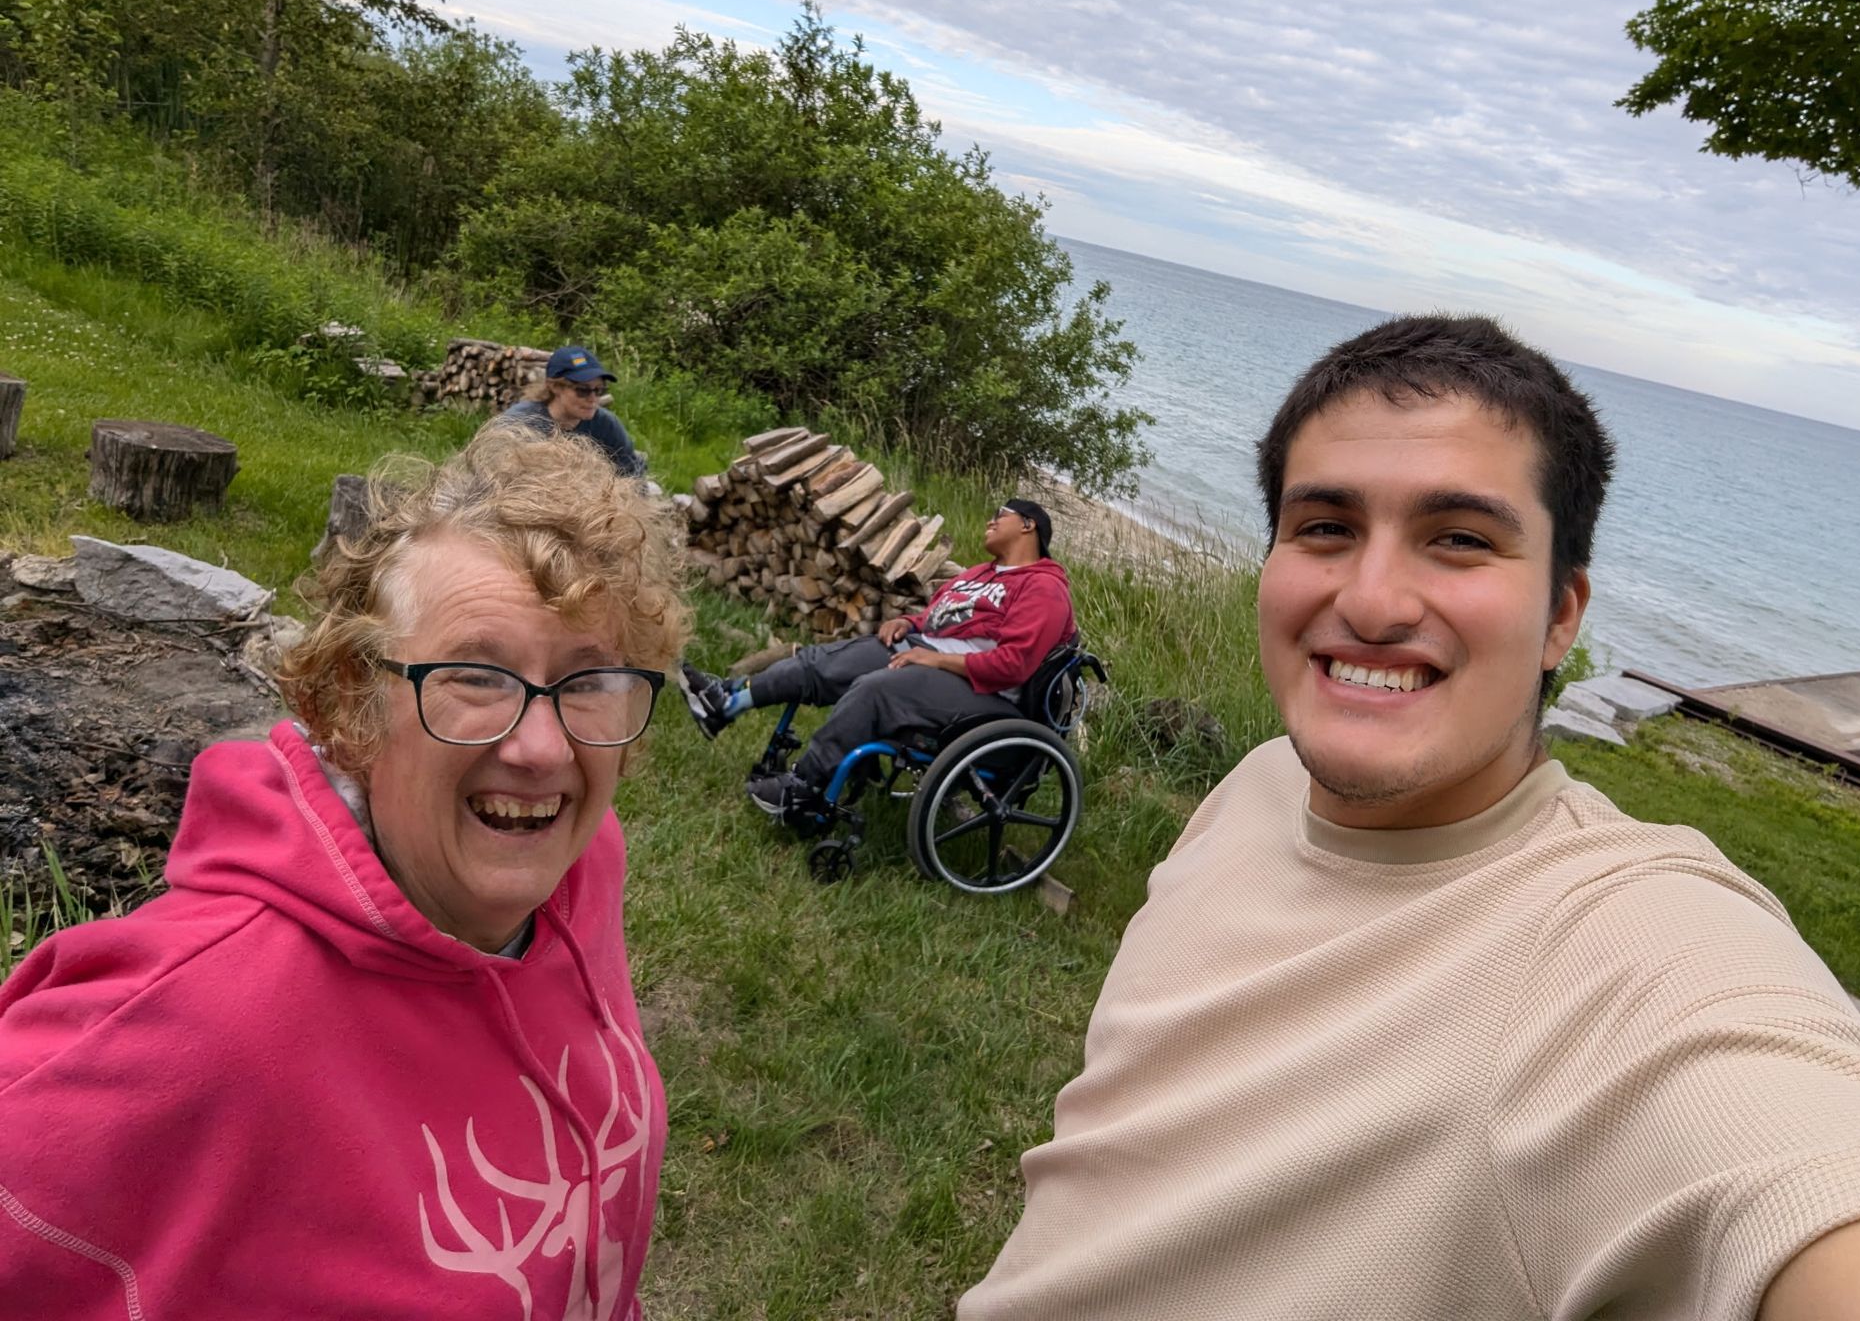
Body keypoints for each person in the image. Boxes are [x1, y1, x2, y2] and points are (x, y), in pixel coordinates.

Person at [959, 316, 1860, 1320]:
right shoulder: (1257, 784)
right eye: (1325, 527)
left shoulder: (1615, 945)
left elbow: (1814, 1179)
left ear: (1561, 617)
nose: (1372, 602)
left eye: (1459, 539)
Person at [0, 425, 687, 1320]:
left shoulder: (579, 868)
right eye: (475, 676)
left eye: (589, 681)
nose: (542, 747)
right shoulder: (193, 1020)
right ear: (351, 707)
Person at [682, 498, 1075, 817]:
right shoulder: (979, 574)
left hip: (986, 695)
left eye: (1000, 516)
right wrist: (907, 621)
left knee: (875, 691)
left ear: (1029, 525)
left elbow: (1014, 666)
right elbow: (937, 618)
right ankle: (726, 701)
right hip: (927, 656)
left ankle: (805, 788)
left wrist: (935, 660)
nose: (990, 522)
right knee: (822, 662)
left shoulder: (1044, 588)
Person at [501, 344, 647, 479]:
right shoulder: (519, 423)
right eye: (583, 390)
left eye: (599, 390)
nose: (593, 399)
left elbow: (632, 475)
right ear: (554, 387)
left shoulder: (606, 425)